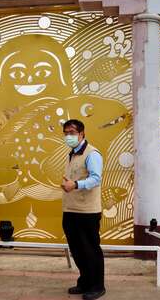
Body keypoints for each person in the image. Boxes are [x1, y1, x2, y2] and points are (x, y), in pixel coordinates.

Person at [61, 119, 105, 300]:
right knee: (77, 250)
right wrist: (68, 184)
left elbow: (96, 179)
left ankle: (97, 286)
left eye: (72, 132)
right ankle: (85, 281)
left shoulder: (92, 154)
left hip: (87, 212)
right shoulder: (72, 153)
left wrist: (76, 184)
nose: (68, 136)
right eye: (66, 133)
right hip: (71, 209)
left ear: (81, 134)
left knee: (90, 249)